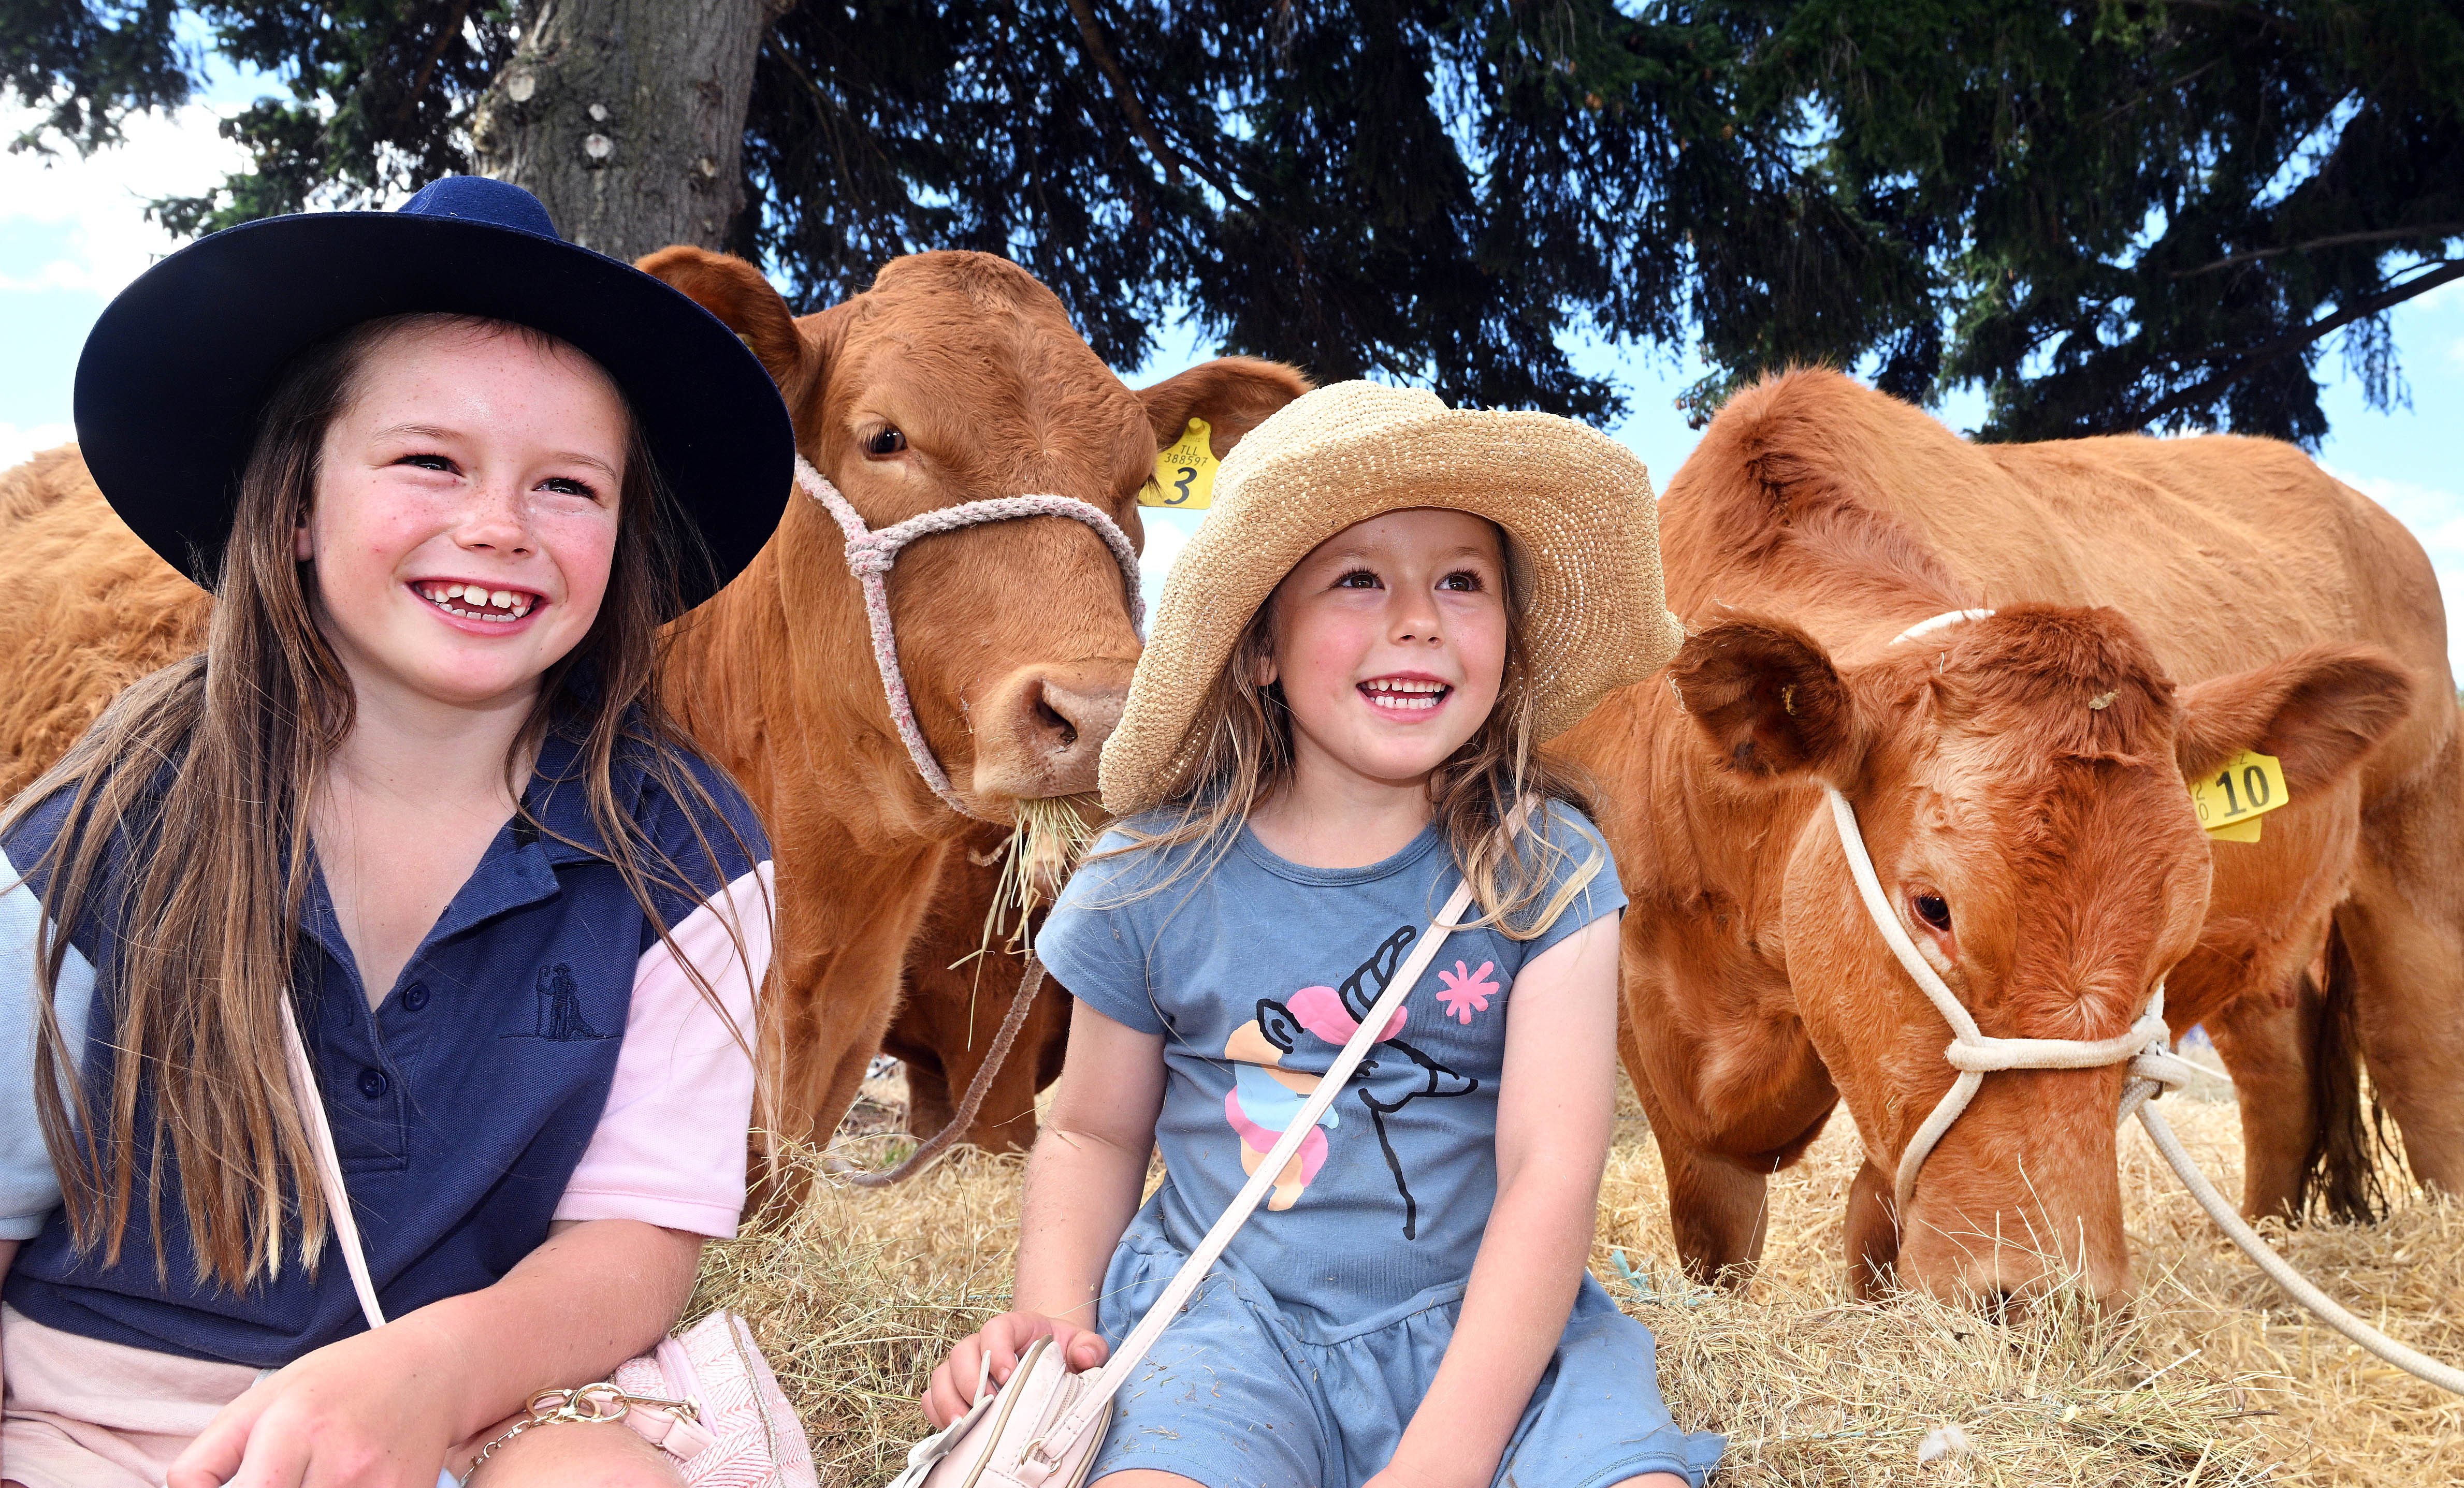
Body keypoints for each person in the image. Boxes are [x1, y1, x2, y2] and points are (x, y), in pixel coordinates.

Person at [0, 176, 795, 1487]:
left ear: (624, 536)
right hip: (109, 1430)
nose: (498, 526)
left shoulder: (687, 852)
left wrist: (433, 1379)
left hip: (477, 1401)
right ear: (297, 506)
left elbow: (634, 1243)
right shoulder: (84, 844)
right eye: (432, 460)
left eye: (569, 487)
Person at [920, 382, 1726, 1488]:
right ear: (1258, 648)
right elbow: (1093, 1136)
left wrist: (1444, 1458)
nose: (1418, 618)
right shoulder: (1151, 874)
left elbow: (1551, 1170)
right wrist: (1052, 1337)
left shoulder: (1547, 867)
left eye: (1462, 580)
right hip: (1229, 1327)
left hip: (1493, 1324)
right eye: (1359, 578)